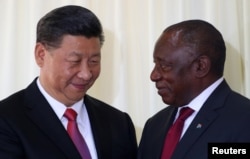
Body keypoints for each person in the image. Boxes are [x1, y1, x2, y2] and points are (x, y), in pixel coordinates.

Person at [0, 5, 137, 159]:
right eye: (74, 61)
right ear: (41, 55)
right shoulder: (7, 120)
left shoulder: (118, 123)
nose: (86, 74)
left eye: (93, 61)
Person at [137, 19, 250, 159]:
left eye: (164, 65)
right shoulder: (154, 125)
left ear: (201, 66)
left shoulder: (244, 120)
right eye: (155, 64)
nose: (153, 75)